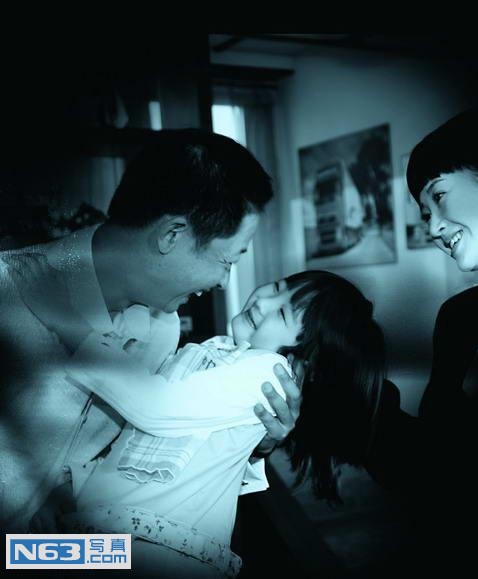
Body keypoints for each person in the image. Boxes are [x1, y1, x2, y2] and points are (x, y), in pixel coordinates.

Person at [0, 129, 299, 533]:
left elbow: (143, 440)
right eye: (227, 261)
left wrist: (252, 438)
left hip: (49, 549)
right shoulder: (8, 290)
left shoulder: (161, 330)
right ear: (171, 235)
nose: (224, 282)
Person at [18, 269, 385, 577]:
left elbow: (156, 407)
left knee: (19, 556)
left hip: (156, 551)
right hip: (116, 536)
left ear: (304, 363)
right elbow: (136, 441)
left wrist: (78, 332)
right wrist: (71, 488)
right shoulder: (220, 352)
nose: (264, 301)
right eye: (277, 287)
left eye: (283, 313)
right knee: (19, 554)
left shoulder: (266, 371)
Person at [364, 108, 478, 576]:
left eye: (439, 196)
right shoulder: (459, 315)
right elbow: (437, 462)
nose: (432, 229)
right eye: (425, 213)